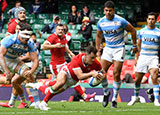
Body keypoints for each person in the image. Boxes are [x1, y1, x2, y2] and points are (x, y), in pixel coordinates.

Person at [26, 46, 103, 111]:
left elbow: (103, 72)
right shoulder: (77, 59)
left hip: (72, 81)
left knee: (49, 91)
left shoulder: (96, 63)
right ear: (86, 55)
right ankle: (43, 103)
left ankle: (36, 86)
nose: (93, 60)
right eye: (92, 58)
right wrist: (92, 74)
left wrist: (101, 77)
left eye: (95, 57)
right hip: (66, 71)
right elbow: (80, 76)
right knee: (61, 82)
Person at [96, 1, 137, 108]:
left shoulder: (120, 21)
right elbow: (98, 36)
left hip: (119, 49)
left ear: (113, 10)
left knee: (116, 74)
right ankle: (106, 92)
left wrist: (134, 45)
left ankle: (114, 99)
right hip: (108, 49)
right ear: (104, 10)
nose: (108, 12)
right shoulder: (101, 22)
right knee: (101, 73)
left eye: (110, 10)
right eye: (106, 10)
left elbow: (132, 30)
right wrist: (98, 49)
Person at [41, 24, 95, 105]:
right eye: (59, 29)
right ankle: (43, 88)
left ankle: (45, 87)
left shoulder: (63, 37)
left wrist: (70, 53)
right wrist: (55, 45)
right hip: (55, 65)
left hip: (63, 63)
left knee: (70, 80)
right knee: (62, 83)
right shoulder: (53, 37)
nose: (60, 31)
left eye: (62, 30)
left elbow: (64, 46)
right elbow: (43, 46)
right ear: (56, 30)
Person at [0, 22, 39, 108]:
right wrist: (7, 72)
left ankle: (36, 103)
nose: (25, 40)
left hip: (14, 60)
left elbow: (35, 59)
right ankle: (14, 102)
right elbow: (0, 55)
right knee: (8, 81)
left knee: (28, 76)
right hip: (2, 59)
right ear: (19, 33)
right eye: (24, 37)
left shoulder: (30, 43)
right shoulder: (9, 39)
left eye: (27, 38)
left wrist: (31, 71)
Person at [127, 12, 160, 106]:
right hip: (143, 57)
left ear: (155, 21)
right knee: (137, 79)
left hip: (153, 57)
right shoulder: (142, 31)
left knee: (154, 77)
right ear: (147, 20)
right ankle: (136, 97)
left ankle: (156, 100)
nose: (150, 21)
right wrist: (137, 57)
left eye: (152, 19)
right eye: (149, 19)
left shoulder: (158, 32)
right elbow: (138, 44)